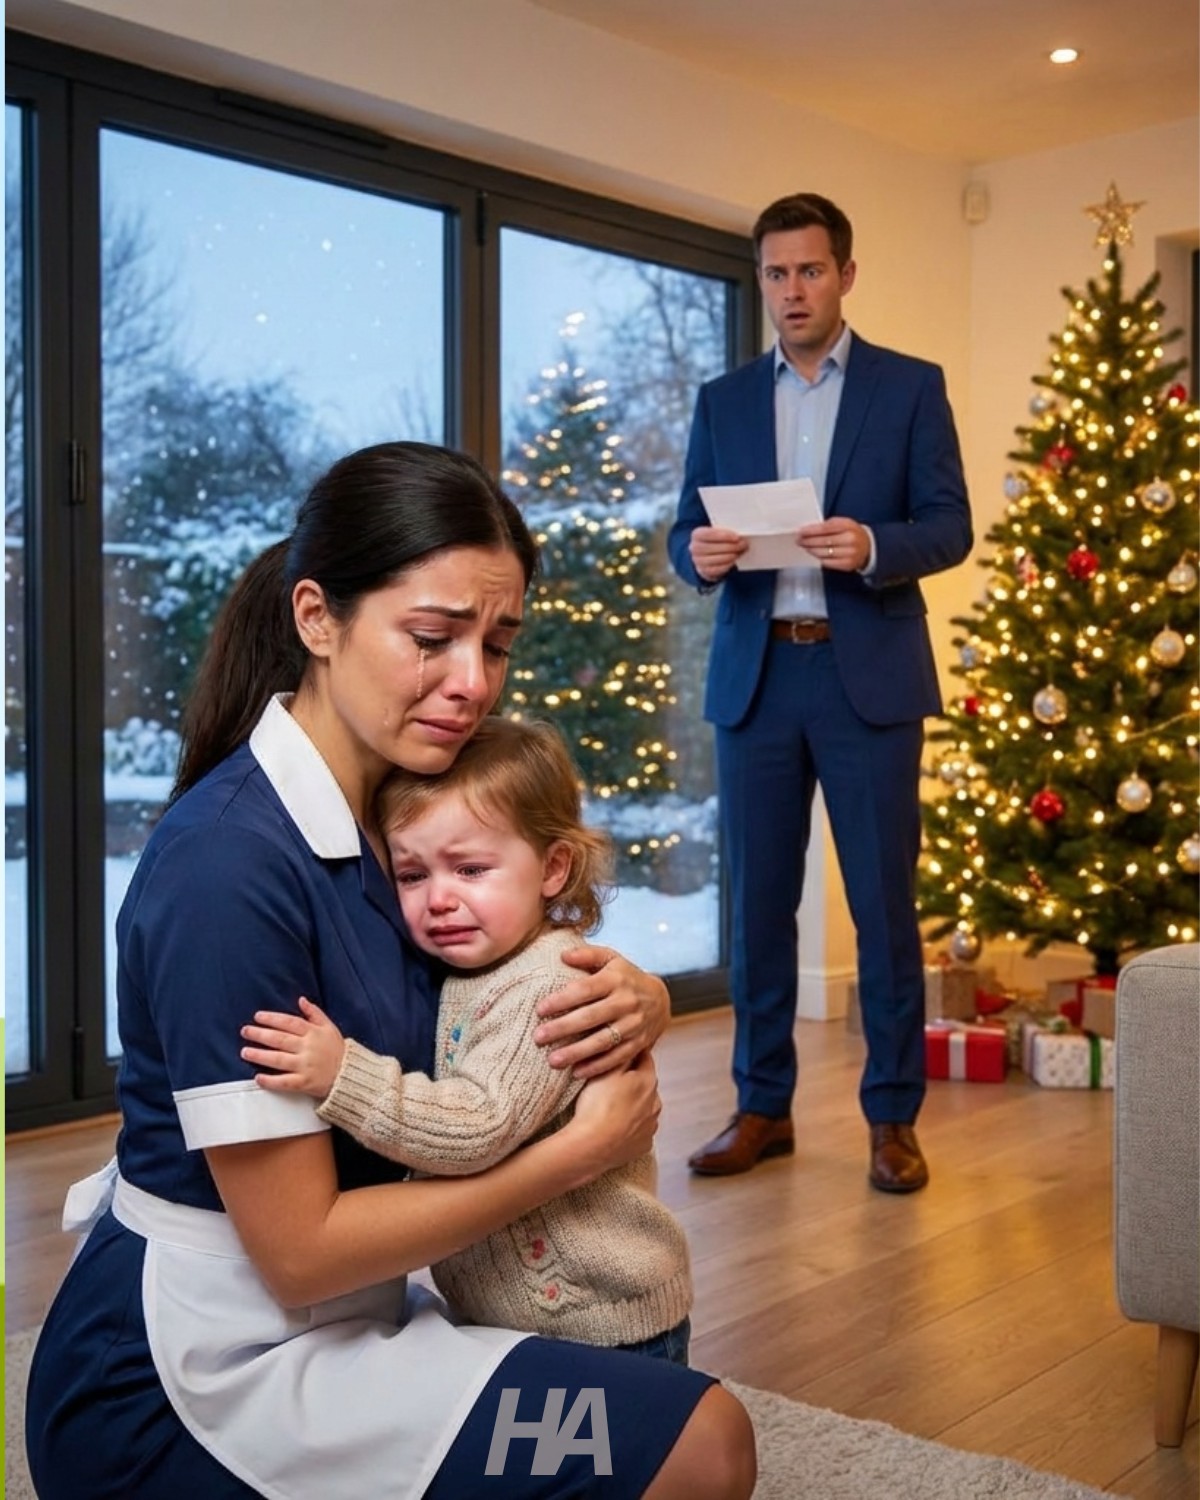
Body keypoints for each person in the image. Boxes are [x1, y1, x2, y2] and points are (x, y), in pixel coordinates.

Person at [26, 442, 756, 1500]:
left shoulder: (403, 819)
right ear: (316, 619)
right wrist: (579, 1153)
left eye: (496, 644)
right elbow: (302, 1253)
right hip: (200, 1376)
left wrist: (626, 992)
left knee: (677, 1422)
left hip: (353, 1316)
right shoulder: (228, 869)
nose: (474, 683)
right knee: (702, 1444)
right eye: (431, 637)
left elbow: (498, 964)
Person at [667, 192, 972, 1193]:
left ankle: (893, 1119)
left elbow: (950, 524)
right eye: (775, 273)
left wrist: (874, 544)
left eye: (809, 270)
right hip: (757, 680)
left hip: (866, 675)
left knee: (884, 908)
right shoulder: (722, 400)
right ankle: (762, 1108)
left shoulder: (910, 387)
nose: (792, 290)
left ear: (845, 274)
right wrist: (699, 555)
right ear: (761, 281)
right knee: (757, 909)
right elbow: (682, 533)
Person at [239, 714, 694, 1364]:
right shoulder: (468, 968)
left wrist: (344, 1076)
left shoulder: (547, 986)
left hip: (599, 1323)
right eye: (413, 875)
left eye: (471, 869)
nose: (439, 899)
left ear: (553, 868)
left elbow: (478, 1127)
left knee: (587, 1434)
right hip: (516, 1317)